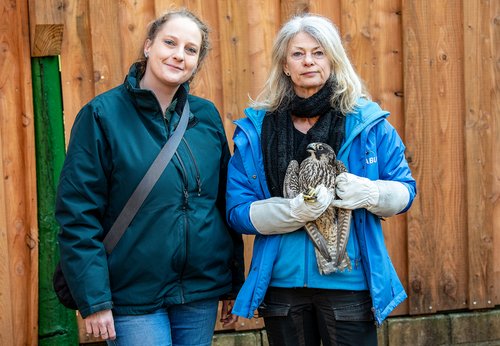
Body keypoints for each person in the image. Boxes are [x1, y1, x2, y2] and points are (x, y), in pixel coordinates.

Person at [55, 8, 244, 345]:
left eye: (190, 49)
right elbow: (77, 215)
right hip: (131, 295)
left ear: (197, 61)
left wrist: (232, 282)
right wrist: (95, 300)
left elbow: (221, 203)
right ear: (148, 46)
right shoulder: (102, 115)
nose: (178, 55)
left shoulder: (206, 116)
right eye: (169, 42)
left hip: (197, 292)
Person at [226, 13, 416, 346]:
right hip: (282, 286)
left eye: (318, 52)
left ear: (333, 59)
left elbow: (405, 190)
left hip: (348, 283)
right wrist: (292, 211)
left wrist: (371, 192)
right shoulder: (256, 130)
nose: (308, 61)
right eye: (298, 54)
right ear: (285, 65)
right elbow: (237, 210)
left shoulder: (368, 124)